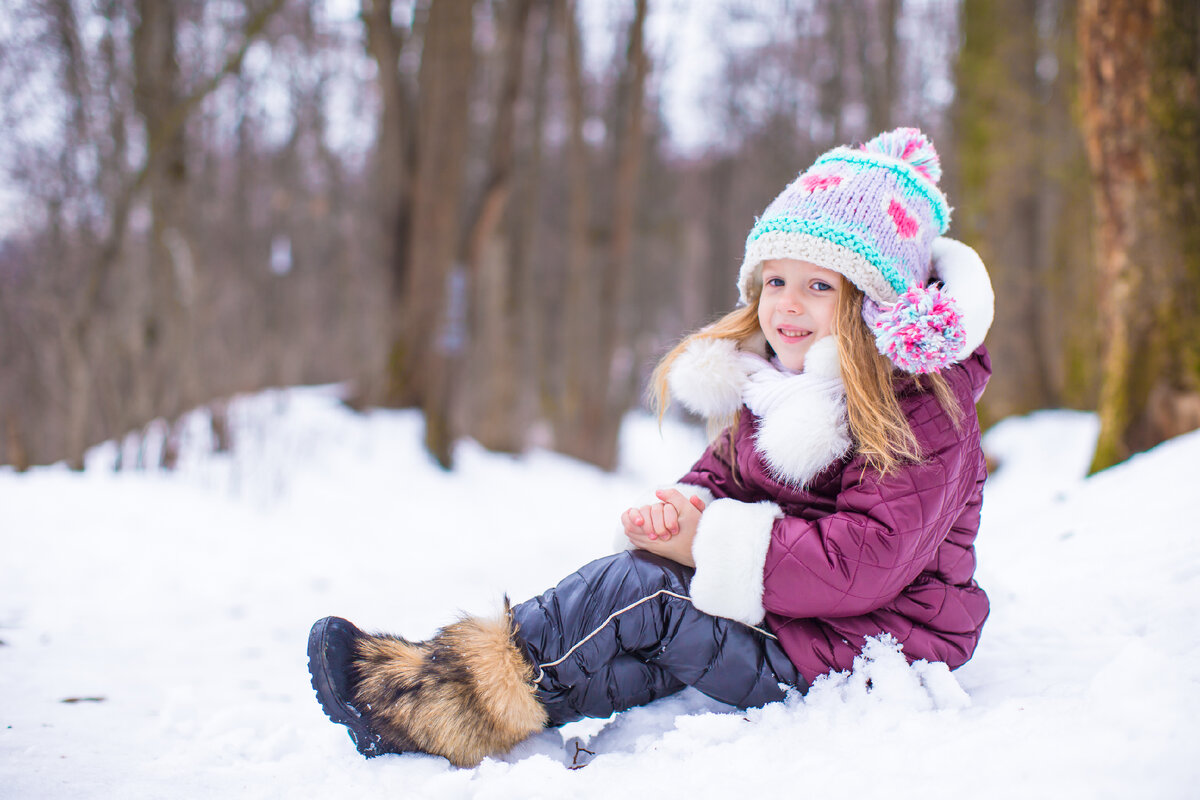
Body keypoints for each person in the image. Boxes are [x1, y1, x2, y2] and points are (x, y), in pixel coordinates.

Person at [307, 127, 996, 768]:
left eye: (820, 286)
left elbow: (864, 561)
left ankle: (438, 701)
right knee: (639, 619)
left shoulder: (922, 407)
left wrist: (705, 545)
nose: (787, 305)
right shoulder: (779, 382)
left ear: (875, 304)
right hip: (800, 615)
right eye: (776, 281)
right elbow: (721, 477)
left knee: (646, 597)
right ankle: (485, 705)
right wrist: (680, 512)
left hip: (878, 646)